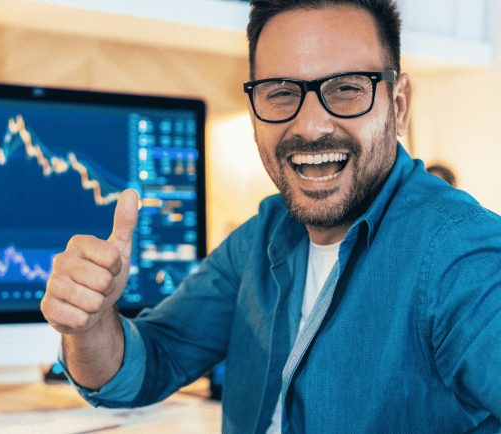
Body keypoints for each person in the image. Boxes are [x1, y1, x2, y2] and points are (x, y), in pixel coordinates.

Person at [40, 0, 501, 432]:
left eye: (345, 90)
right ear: (254, 111)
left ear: (397, 105)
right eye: (281, 93)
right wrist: (92, 326)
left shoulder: (460, 255)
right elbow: (148, 365)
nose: (310, 125)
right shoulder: (263, 236)